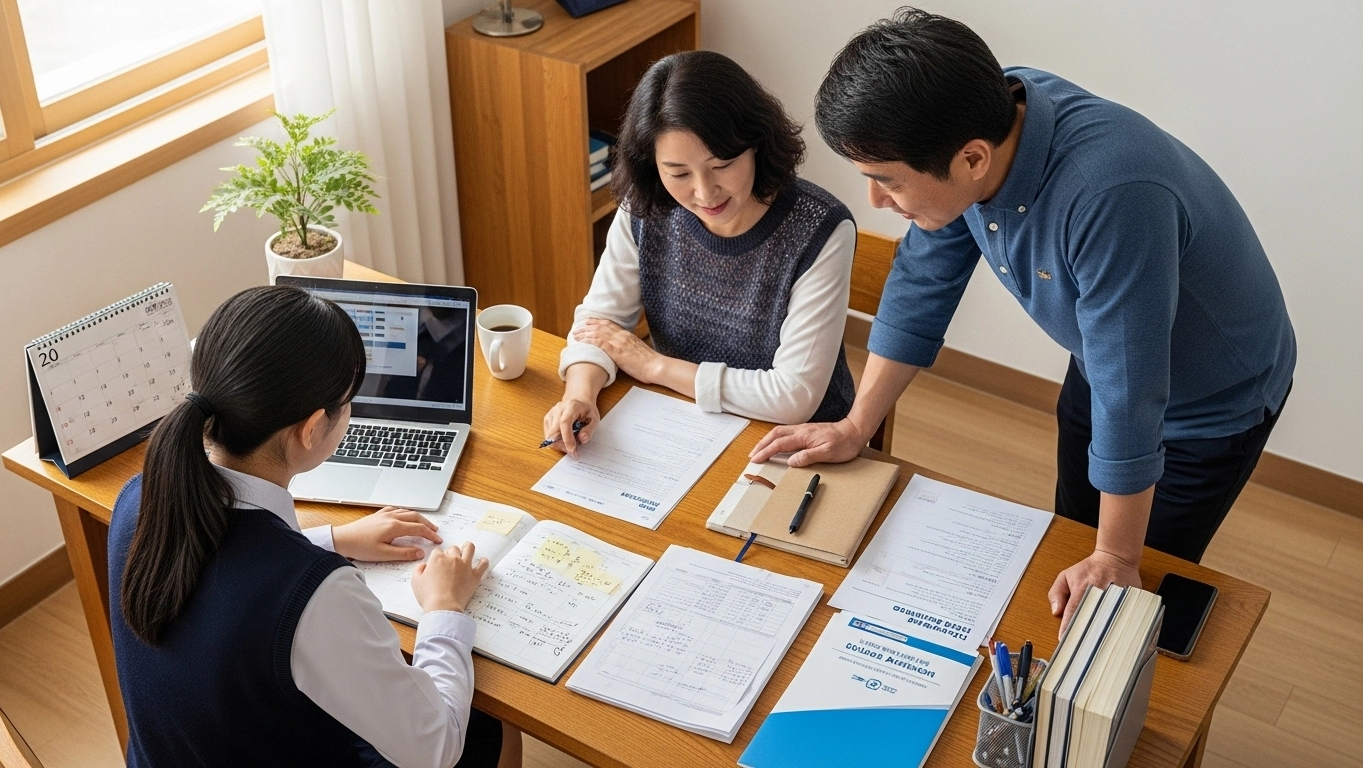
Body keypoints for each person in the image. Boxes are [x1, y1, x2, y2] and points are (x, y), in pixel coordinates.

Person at [752, 9, 1295, 634]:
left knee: (1128, 594)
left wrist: (1118, 557)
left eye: (886, 181)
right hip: (1103, 356)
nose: (875, 199)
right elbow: (922, 284)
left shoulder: (1111, 195)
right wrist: (855, 425)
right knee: (1072, 536)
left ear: (973, 160)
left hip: (1211, 398)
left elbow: (1133, 391)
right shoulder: (978, 119)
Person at [107, 286, 522, 768]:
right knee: (486, 725)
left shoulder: (140, 498)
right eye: (348, 402)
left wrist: (332, 538)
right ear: (309, 429)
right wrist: (443, 608)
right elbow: (436, 749)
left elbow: (230, 577)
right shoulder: (317, 596)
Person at [543, 50, 858, 453]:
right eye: (678, 173)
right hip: (682, 420)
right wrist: (580, 391)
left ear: (756, 145)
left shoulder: (820, 229)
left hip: (797, 442)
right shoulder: (647, 205)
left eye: (722, 165)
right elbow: (601, 321)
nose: (705, 192)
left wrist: (655, 366)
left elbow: (793, 395)